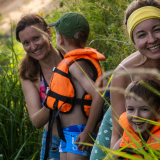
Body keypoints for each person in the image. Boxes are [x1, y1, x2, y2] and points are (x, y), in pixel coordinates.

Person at [90, 0, 160, 159]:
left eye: (157, 30)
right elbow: (118, 135)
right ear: (133, 41)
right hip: (123, 132)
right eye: (142, 35)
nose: (152, 39)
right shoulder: (124, 73)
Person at [44, 12, 105, 160]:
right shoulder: (77, 61)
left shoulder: (76, 65)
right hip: (67, 133)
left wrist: (88, 132)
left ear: (61, 39)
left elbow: (98, 95)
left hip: (78, 132)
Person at [16, 14, 64, 160]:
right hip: (54, 143)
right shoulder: (29, 75)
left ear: (48, 32)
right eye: (26, 43)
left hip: (85, 136)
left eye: (36, 38)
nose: (33, 47)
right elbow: (36, 121)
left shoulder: (71, 58)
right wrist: (56, 96)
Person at [106, 79, 160, 159]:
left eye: (144, 109)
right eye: (131, 109)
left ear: (159, 112)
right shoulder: (124, 140)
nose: (136, 116)